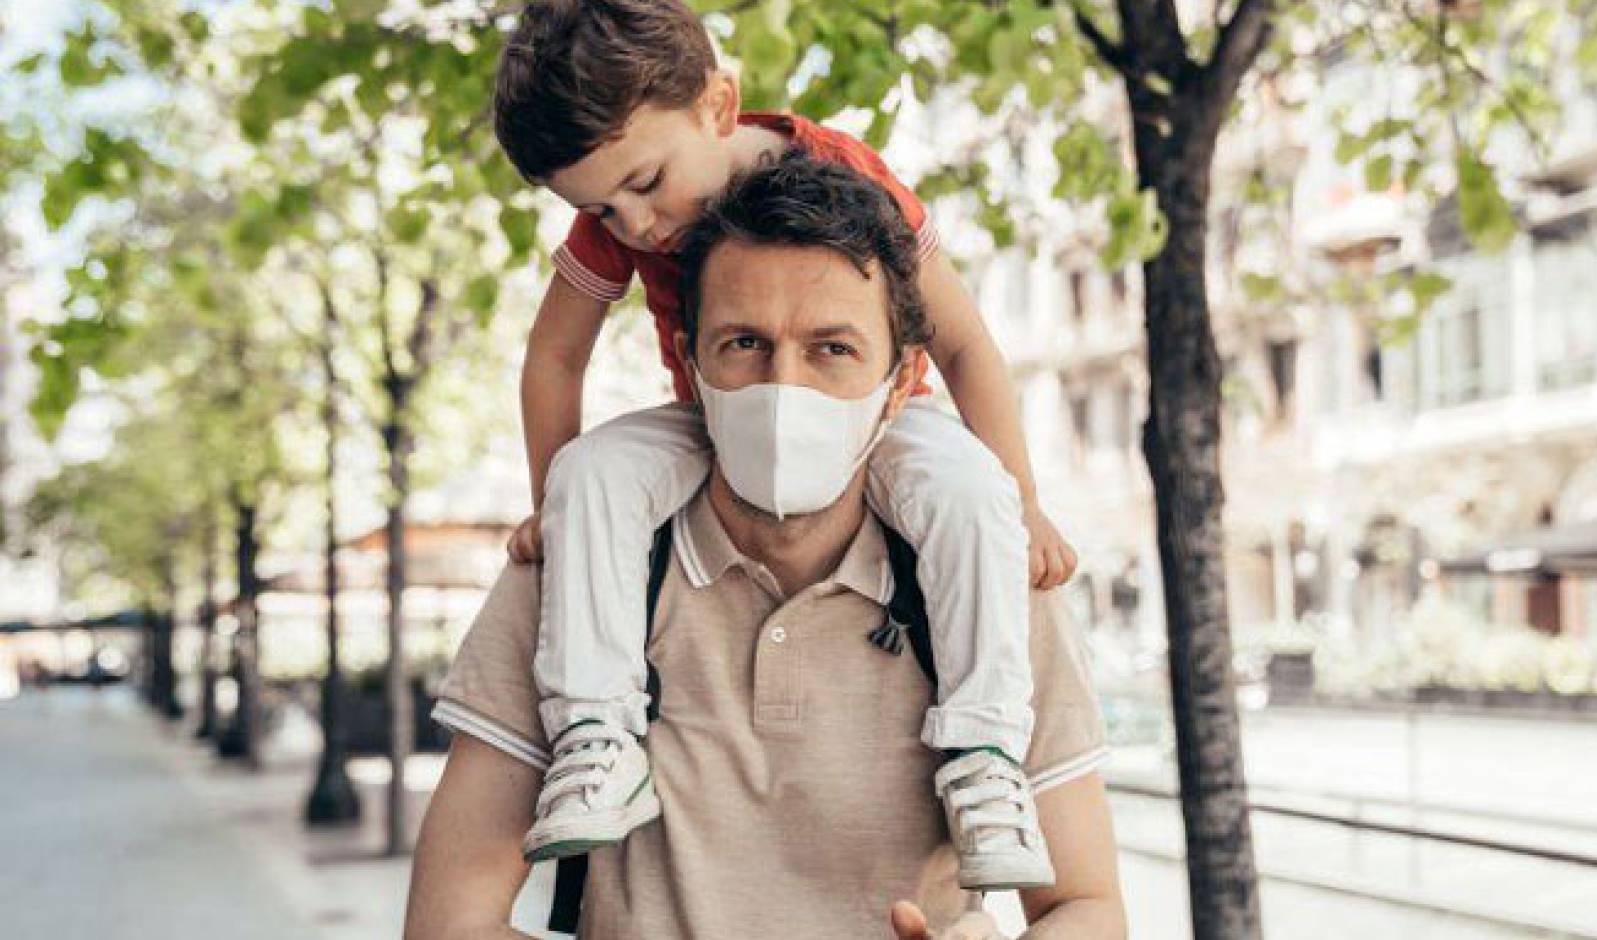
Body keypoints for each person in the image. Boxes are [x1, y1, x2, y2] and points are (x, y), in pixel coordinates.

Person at [408, 154, 1125, 940]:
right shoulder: (571, 581)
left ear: (901, 382)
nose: (784, 390)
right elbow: (451, 924)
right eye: (745, 343)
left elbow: (1085, 908)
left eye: (833, 349)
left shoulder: (990, 582)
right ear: (689, 361)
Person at [492, 0, 1078, 889]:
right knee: (595, 474)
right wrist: (553, 505)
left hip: (875, 418)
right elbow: (554, 355)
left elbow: (962, 343)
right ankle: (597, 736)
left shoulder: (845, 175)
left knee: (972, 496)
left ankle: (985, 753)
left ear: (718, 108)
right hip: (720, 417)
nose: (636, 227)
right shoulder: (615, 219)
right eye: (602, 210)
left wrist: (1024, 498)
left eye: (646, 185)